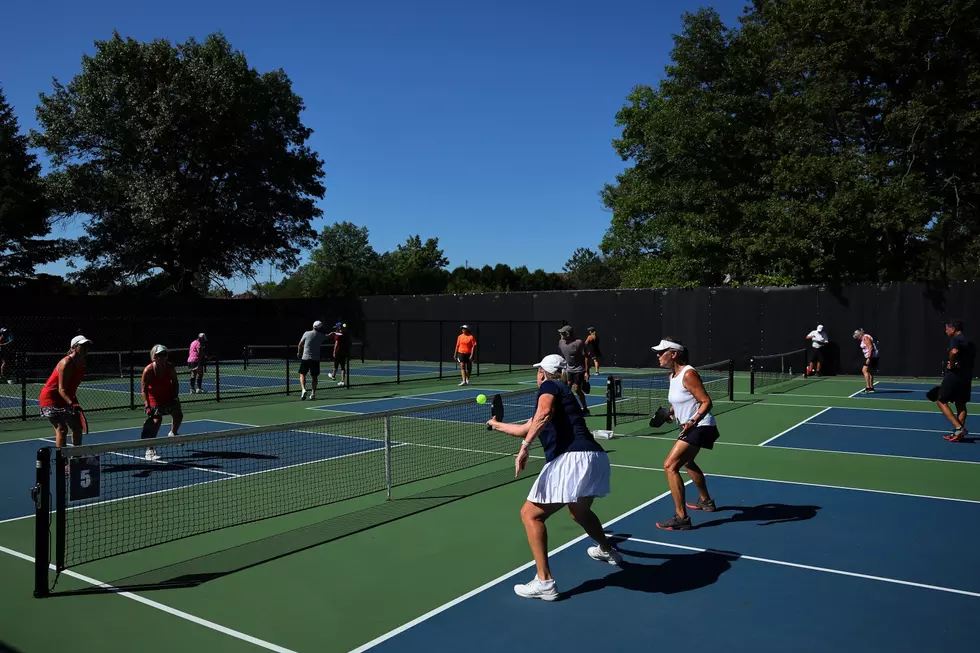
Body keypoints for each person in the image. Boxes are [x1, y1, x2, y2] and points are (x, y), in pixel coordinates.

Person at [487, 353, 621, 601]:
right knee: (579, 512)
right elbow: (527, 428)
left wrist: (525, 448)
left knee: (530, 514)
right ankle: (607, 550)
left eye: (538, 371)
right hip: (594, 458)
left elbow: (543, 415)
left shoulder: (549, 386)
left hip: (571, 459)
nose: (537, 375)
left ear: (542, 373)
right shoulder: (563, 393)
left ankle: (545, 581)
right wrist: (496, 425)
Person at [651, 337, 719, 531]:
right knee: (687, 462)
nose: (658, 355)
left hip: (701, 426)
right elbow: (681, 401)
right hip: (692, 427)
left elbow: (706, 401)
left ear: (674, 354)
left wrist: (692, 421)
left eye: (662, 352)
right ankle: (705, 501)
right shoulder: (672, 377)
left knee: (670, 465)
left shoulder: (688, 374)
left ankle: (681, 517)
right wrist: (669, 414)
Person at [38, 335, 92, 449]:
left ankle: (75, 457)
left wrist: (74, 402)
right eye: (83, 345)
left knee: (77, 427)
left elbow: (71, 387)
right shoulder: (66, 363)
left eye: (87, 345)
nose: (86, 348)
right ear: (74, 347)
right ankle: (61, 461)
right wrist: (72, 403)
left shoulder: (81, 363)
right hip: (50, 398)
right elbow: (61, 389)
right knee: (62, 429)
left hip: (65, 398)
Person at [933, 319, 975, 442]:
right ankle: (959, 433)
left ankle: (958, 427)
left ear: (953, 329)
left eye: (947, 329)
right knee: (961, 403)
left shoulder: (955, 339)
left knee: (940, 399)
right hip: (966, 375)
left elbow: (954, 351)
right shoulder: (969, 341)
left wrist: (951, 364)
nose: (945, 331)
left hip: (956, 374)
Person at [140, 344, 182, 461]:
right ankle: (149, 450)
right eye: (159, 355)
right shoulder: (148, 370)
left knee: (178, 414)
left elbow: (175, 382)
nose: (162, 357)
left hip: (168, 395)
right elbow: (143, 389)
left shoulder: (170, 367)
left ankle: (173, 434)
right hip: (154, 398)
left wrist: (175, 397)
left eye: (164, 354)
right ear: (154, 356)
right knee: (156, 421)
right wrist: (147, 404)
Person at [558, 326, 590, 415]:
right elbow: (562, 356)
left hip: (579, 370)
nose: (560, 334)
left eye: (562, 333)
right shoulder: (561, 342)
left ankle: (585, 409)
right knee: (566, 388)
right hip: (569, 370)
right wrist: (562, 368)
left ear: (568, 334)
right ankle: (567, 408)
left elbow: (586, 357)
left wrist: (587, 371)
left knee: (576, 389)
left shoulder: (578, 343)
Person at [297, 320, 327, 400]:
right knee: (314, 377)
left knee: (302, 374)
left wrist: (299, 353)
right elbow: (328, 336)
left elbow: (300, 344)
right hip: (315, 359)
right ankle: (313, 394)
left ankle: (303, 390)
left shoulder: (306, 333)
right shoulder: (321, 335)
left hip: (305, 358)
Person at [852, 328, 880, 393]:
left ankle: (868, 387)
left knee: (864, 370)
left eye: (857, 337)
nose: (857, 338)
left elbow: (870, 347)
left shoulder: (865, 338)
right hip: (872, 356)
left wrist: (869, 358)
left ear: (859, 335)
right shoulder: (865, 337)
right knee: (869, 371)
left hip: (871, 356)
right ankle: (871, 387)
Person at [327, 322, 351, 386]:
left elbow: (336, 343)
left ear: (339, 327)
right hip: (344, 352)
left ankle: (333, 376)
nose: (336, 328)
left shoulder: (338, 334)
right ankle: (342, 381)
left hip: (338, 352)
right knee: (343, 367)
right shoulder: (345, 334)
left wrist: (334, 351)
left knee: (336, 365)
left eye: (337, 327)